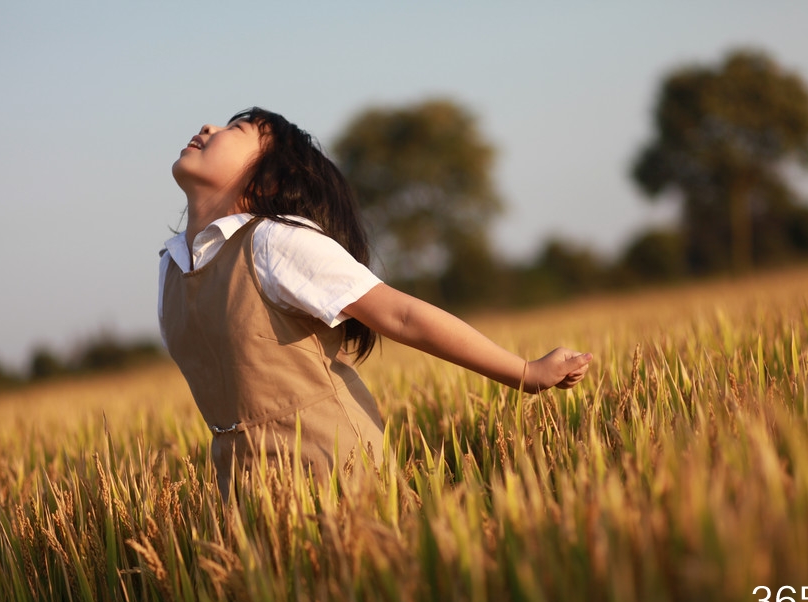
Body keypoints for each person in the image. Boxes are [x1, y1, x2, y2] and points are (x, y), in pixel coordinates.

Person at [158, 107, 592, 499]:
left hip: (332, 465)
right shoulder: (172, 267)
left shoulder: (275, 242)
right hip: (242, 485)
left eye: (236, 128)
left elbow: (401, 316)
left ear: (268, 179)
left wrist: (526, 373)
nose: (207, 126)